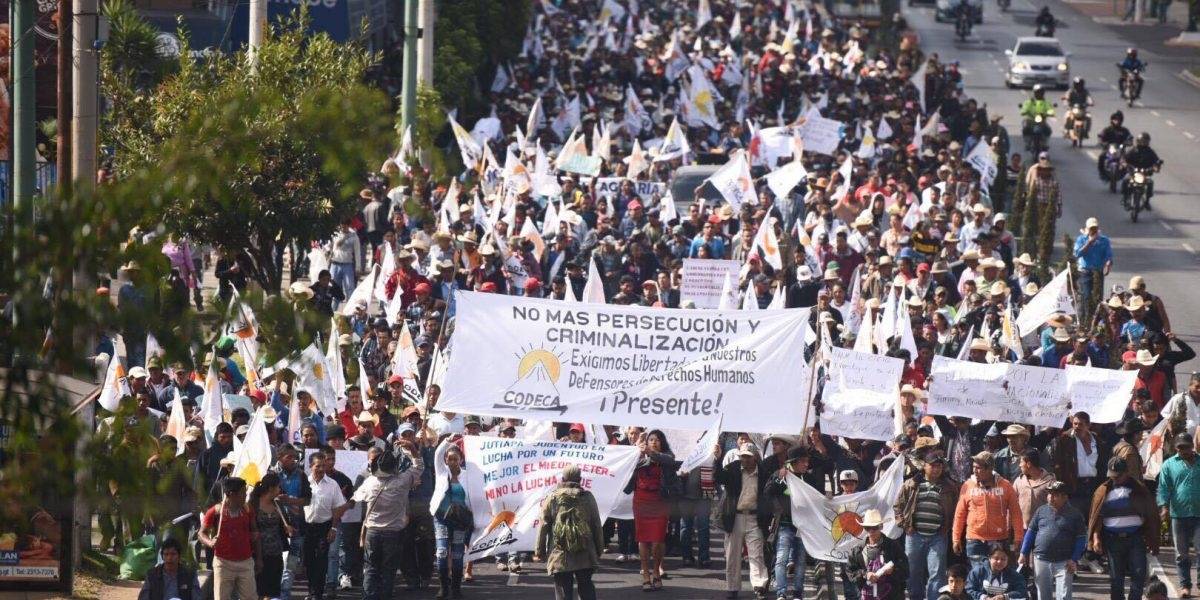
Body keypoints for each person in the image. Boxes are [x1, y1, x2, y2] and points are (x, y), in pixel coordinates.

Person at [357, 438, 424, 600]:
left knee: (371, 568)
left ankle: (369, 597)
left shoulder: (370, 482)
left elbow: (356, 498)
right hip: (393, 532)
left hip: (372, 531)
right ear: (394, 467)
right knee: (388, 569)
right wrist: (413, 449)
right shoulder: (402, 481)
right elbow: (419, 467)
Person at [1088, 456, 1160, 600]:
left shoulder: (1139, 489)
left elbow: (1151, 516)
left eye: (1118, 476)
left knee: (1139, 575)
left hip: (1135, 539)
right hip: (1112, 540)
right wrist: (1096, 538)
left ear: (1127, 473)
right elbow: (1097, 518)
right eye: (1112, 476)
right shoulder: (1103, 491)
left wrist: (1152, 539)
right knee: (1116, 579)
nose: (1115, 479)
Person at [536, 464, 605, 600]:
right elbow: (596, 524)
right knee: (586, 588)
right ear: (580, 479)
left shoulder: (552, 498)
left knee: (563, 591)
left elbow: (544, 525)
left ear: (562, 478)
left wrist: (540, 551)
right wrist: (599, 549)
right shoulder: (587, 497)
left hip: (560, 553)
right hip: (585, 551)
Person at [895, 452, 958, 600]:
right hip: (914, 535)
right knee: (913, 571)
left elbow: (956, 509)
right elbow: (898, 506)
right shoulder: (912, 484)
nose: (936, 469)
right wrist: (905, 525)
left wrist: (947, 527)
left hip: (938, 536)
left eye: (939, 466)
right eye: (933, 466)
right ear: (924, 465)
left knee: (937, 572)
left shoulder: (949, 487)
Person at [714, 442, 771, 599]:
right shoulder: (733, 469)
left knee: (756, 553)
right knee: (732, 555)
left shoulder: (764, 473)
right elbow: (718, 477)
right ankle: (732, 588)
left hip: (754, 518)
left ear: (755, 458)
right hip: (735, 517)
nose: (744, 460)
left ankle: (759, 586)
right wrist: (717, 459)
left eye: (747, 457)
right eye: (742, 457)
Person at [953, 451, 1025, 570]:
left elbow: (1016, 513)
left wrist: (1018, 538)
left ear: (990, 468)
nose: (975, 471)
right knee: (978, 575)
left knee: (996, 575)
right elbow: (959, 514)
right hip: (974, 540)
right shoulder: (967, 485)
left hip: (999, 539)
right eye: (974, 467)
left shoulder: (1005, 486)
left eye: (979, 468)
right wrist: (956, 538)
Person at [627, 429, 676, 590]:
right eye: (650, 439)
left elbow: (669, 461)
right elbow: (629, 466)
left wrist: (651, 453)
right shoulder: (639, 454)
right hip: (641, 500)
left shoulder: (667, 456)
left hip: (660, 501)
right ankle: (646, 575)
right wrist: (637, 448)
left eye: (657, 440)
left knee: (658, 540)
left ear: (662, 443)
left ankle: (656, 571)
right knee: (643, 539)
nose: (654, 442)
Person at [1019, 481, 1085, 600]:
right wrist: (1023, 553)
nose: (1050, 497)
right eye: (1049, 494)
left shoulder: (1075, 514)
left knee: (1064, 596)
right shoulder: (1041, 510)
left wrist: (1074, 559)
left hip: (1065, 561)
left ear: (1065, 497)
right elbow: (1031, 532)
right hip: (1041, 559)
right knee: (1043, 595)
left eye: (1055, 495)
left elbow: (1081, 539)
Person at [303, 450, 353, 600]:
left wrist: (333, 528)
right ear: (311, 466)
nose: (321, 469)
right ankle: (311, 590)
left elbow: (338, 508)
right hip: (307, 527)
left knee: (322, 560)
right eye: (318, 466)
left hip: (325, 527)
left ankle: (317, 594)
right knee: (309, 561)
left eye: (323, 466)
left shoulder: (332, 485)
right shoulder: (304, 482)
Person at [764, 446, 811, 600]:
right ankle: (781, 593)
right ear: (793, 462)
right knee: (782, 559)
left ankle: (798, 593)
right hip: (784, 525)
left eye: (807, 461)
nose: (806, 464)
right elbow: (767, 492)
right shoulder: (780, 476)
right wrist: (779, 477)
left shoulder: (808, 478)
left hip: (802, 527)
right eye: (803, 461)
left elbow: (818, 498)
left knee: (801, 561)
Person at [199, 477, 258, 600]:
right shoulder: (215, 512)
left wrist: (258, 554)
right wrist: (210, 543)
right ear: (232, 494)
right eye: (243, 493)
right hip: (223, 563)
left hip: (246, 562)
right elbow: (201, 533)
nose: (245, 495)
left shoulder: (248, 509)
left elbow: (254, 531)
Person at [1157, 433, 1200, 597]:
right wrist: (1164, 507)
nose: (1184, 450)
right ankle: (1185, 586)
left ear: (1192, 446)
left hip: (1199, 514)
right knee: (1181, 554)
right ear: (1176, 448)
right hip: (1179, 514)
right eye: (1180, 447)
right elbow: (1163, 488)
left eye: (1187, 447)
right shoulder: (1169, 465)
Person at [432, 436, 473, 599]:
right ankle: (443, 587)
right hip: (441, 517)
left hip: (460, 520)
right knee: (441, 552)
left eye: (456, 459)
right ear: (446, 461)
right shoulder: (441, 472)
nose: (452, 462)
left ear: (461, 460)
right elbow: (437, 454)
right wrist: (448, 441)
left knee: (457, 555)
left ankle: (456, 588)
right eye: (449, 459)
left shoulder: (468, 475)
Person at [846, 509, 909, 600]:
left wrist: (893, 570)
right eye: (868, 528)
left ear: (881, 526)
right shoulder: (857, 550)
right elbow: (850, 571)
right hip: (866, 595)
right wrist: (865, 575)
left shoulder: (893, 546)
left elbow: (906, 571)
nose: (871, 531)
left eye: (875, 527)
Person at [248, 473, 291, 600]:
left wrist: (287, 528)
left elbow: (285, 525)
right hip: (258, 552)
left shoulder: (278, 505)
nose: (280, 490)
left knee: (272, 590)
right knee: (258, 589)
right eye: (278, 487)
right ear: (271, 488)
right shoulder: (253, 504)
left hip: (276, 552)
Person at [1072, 217, 1113, 322]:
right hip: (1085, 272)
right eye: (1091, 228)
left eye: (1095, 228)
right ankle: (1085, 320)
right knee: (1086, 297)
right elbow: (1077, 253)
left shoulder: (1104, 240)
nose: (1093, 230)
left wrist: (1108, 263)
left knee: (1098, 297)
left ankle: (1097, 321)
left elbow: (1108, 255)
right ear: (1087, 229)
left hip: (1097, 272)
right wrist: (1089, 243)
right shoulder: (1081, 239)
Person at [1122, 133, 1163, 209]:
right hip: (1133, 173)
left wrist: (1156, 167)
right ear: (1138, 141)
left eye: (1145, 141)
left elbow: (1156, 161)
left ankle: (1147, 201)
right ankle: (1125, 199)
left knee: (1150, 183)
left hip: (1144, 174)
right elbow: (1125, 158)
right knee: (1125, 180)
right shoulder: (1133, 150)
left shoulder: (1150, 152)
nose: (1143, 143)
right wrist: (1124, 164)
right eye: (1141, 141)